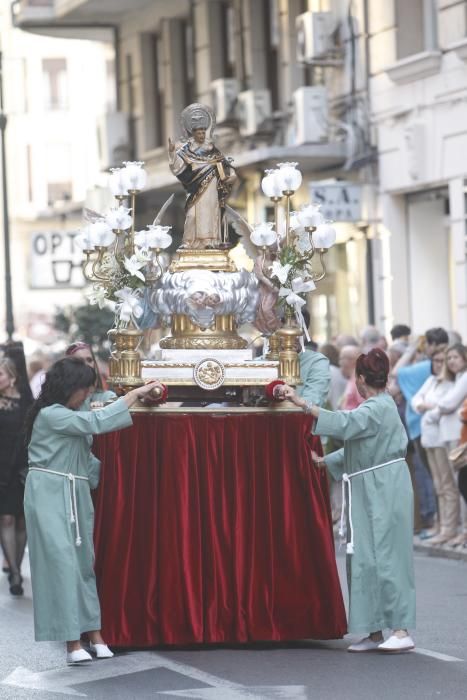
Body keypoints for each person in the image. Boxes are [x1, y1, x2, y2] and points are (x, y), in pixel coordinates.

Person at [24, 357, 163, 664]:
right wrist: (134, 395)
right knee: (61, 566)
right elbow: (95, 423)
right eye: (84, 388)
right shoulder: (51, 415)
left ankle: (94, 634)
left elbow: (98, 412)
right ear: (70, 387)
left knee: (83, 564)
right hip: (49, 491)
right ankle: (72, 641)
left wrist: (127, 393)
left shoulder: (69, 412)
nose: (88, 394)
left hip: (75, 490)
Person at [279, 349, 416, 653]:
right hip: (369, 484)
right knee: (364, 557)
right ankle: (373, 630)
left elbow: (346, 424)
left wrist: (304, 404)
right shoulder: (377, 406)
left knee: (389, 556)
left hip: (385, 487)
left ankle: (402, 629)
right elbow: (357, 444)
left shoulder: (379, 407)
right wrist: (324, 461)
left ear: (361, 379)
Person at [168, 103, 236, 249]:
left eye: (203, 133)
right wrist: (172, 153)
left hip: (212, 188)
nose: (201, 135)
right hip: (195, 188)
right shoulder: (186, 151)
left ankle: (210, 242)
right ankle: (189, 242)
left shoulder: (213, 150)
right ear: (193, 134)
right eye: (198, 133)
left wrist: (232, 175)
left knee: (210, 216)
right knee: (192, 215)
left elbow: (226, 166)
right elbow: (177, 167)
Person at [411, 345, 457, 544]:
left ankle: (450, 527)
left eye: (441, 361)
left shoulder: (451, 382)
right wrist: (427, 406)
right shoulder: (431, 381)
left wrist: (428, 406)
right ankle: (442, 525)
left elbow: (445, 406)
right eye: (435, 361)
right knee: (438, 485)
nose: (438, 365)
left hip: (441, 439)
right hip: (428, 439)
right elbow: (415, 401)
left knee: (447, 485)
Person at [424, 343, 467, 546]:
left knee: (459, 486)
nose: (451, 361)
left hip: (458, 437)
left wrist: (432, 411)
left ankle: (461, 530)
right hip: (449, 435)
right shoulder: (456, 378)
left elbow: (448, 403)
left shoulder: (464, 377)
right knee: (453, 485)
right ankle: (456, 530)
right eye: (448, 358)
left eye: (455, 357)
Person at [0, 357, 32, 595]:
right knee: (6, 519)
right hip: (1, 470)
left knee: (22, 520)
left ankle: (17, 565)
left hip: (22, 468)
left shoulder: (26, 403)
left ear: (12, 377)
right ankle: (14, 572)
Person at [65, 342, 116, 407]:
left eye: (89, 360)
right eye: (79, 361)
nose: (86, 365)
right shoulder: (61, 402)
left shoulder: (108, 397)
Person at [339, 345, 365, 410]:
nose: (340, 363)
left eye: (341, 358)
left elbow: (364, 406)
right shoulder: (353, 379)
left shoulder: (358, 381)